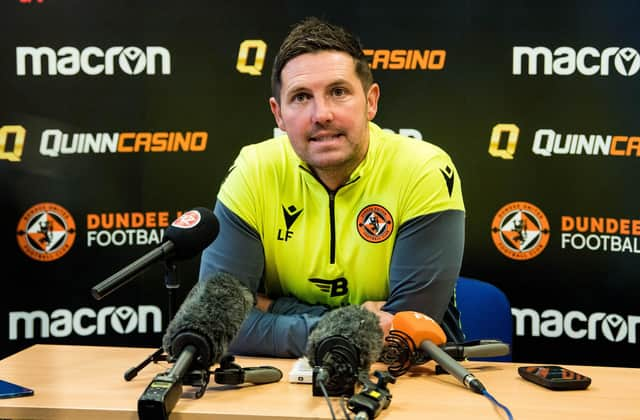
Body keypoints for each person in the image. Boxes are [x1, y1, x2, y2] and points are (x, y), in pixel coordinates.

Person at [199, 16, 465, 357]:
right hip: (279, 388)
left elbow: (403, 335)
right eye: (301, 97)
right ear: (278, 114)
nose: (321, 114)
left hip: (407, 383)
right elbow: (219, 324)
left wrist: (273, 308)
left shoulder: (423, 169)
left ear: (371, 101)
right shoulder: (253, 170)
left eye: (338, 92)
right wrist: (354, 325)